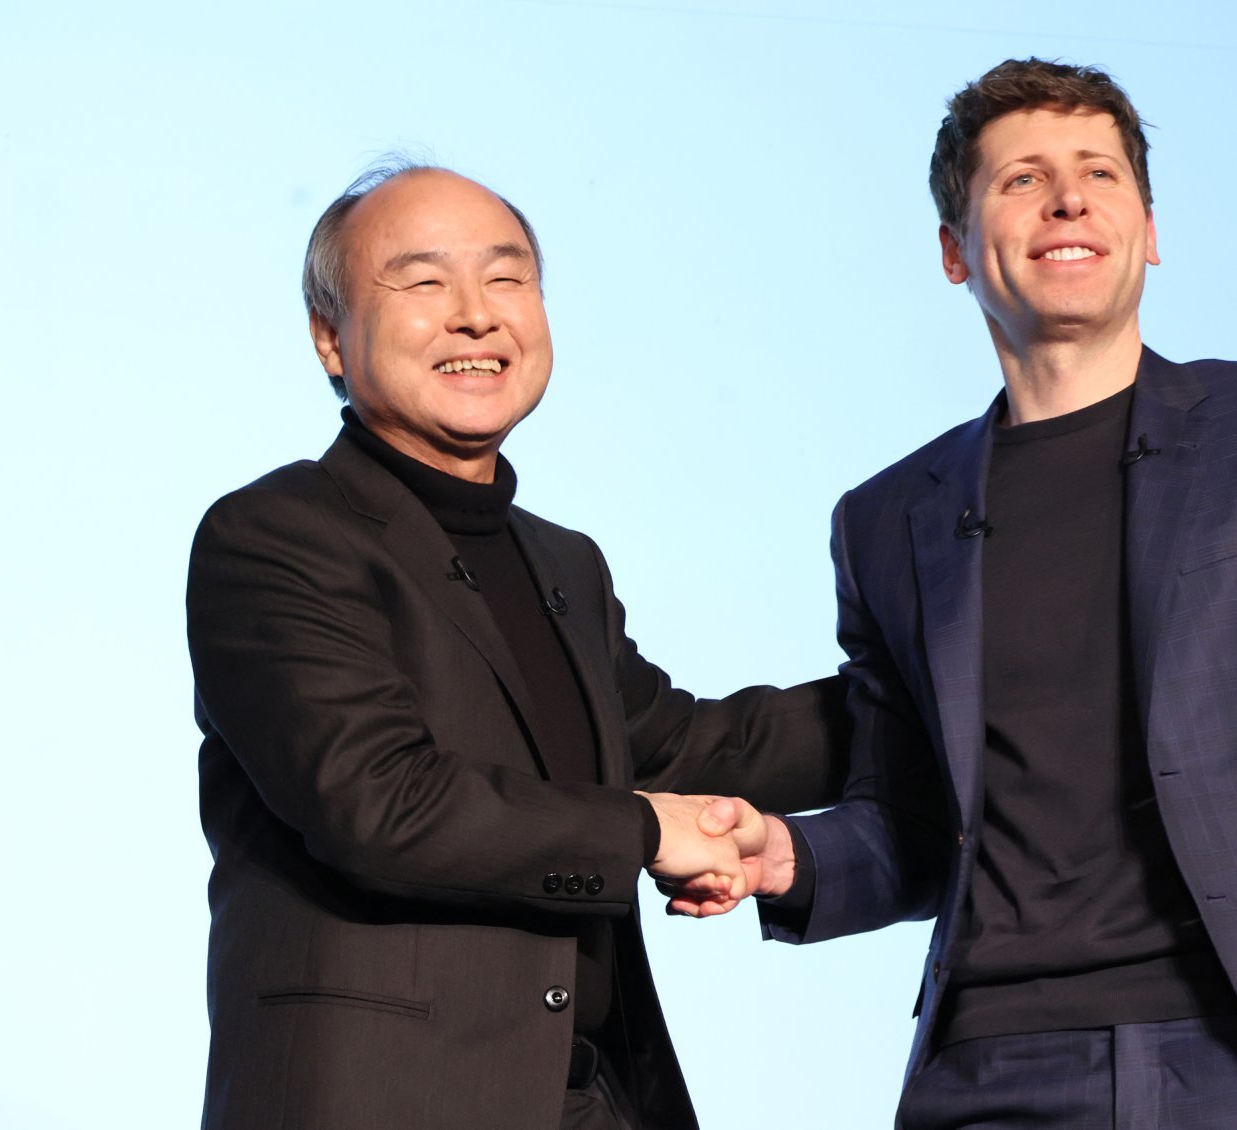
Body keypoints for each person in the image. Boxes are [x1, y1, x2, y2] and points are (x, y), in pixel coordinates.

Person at [690, 58, 1237, 1129]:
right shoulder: (883, 519)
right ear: (955, 251)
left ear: (1148, 228)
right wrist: (789, 855)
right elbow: (914, 822)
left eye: (1100, 172)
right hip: (984, 1066)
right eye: (1022, 179)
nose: (1067, 199)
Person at [186, 161, 846, 1130]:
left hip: (587, 1094)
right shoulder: (277, 534)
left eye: (506, 278)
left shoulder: (562, 562)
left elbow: (680, 746)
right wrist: (644, 831)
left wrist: (933, 689)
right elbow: (379, 802)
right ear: (330, 335)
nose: (475, 315)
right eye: (423, 281)